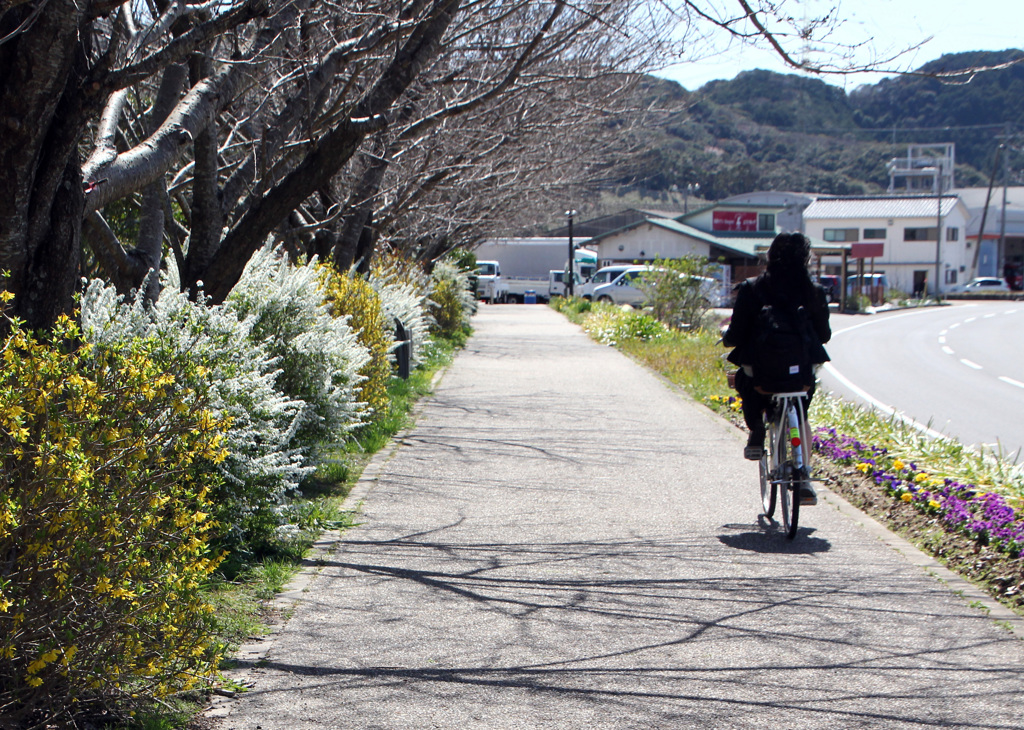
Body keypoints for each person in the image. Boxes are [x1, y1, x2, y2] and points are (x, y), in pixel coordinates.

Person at [722, 232, 831, 478]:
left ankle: (757, 429)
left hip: (761, 373)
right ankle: (804, 474)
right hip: (800, 375)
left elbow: (737, 334)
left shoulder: (752, 288)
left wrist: (727, 339)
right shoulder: (814, 292)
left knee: (746, 382)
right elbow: (823, 336)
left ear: (770, 256)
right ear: (806, 259)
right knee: (801, 413)